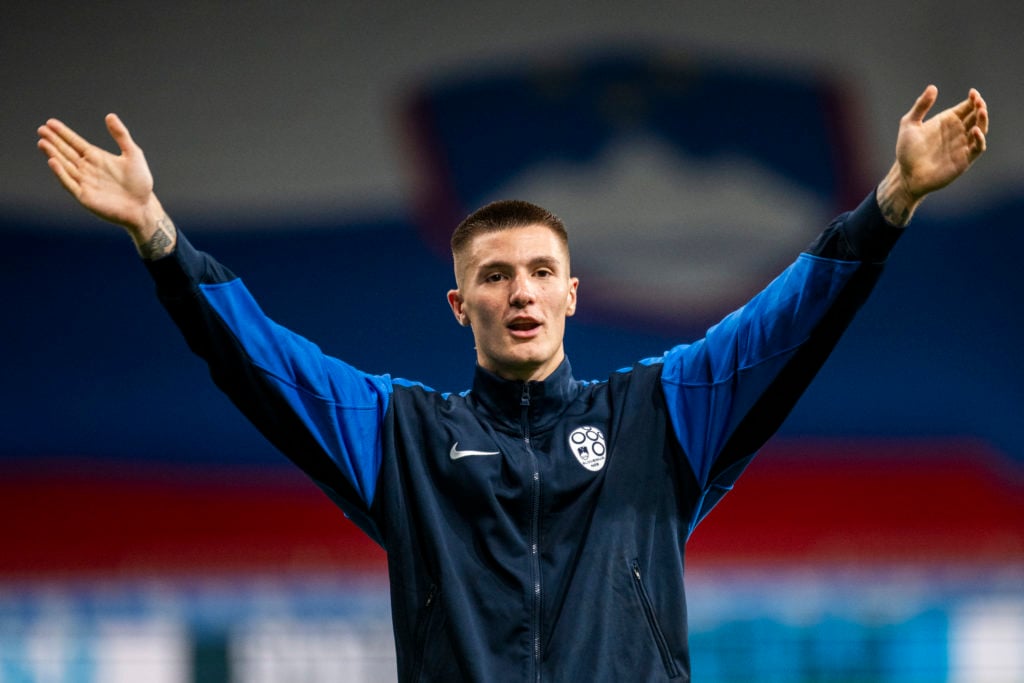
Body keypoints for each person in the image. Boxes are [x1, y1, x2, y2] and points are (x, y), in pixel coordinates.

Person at [37, 84, 987, 682]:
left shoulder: (658, 414)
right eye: (494, 275)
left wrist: (891, 203)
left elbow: (785, 326)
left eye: (539, 272)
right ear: (461, 304)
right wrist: (157, 235)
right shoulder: (400, 435)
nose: (519, 290)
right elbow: (264, 361)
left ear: (573, 294)